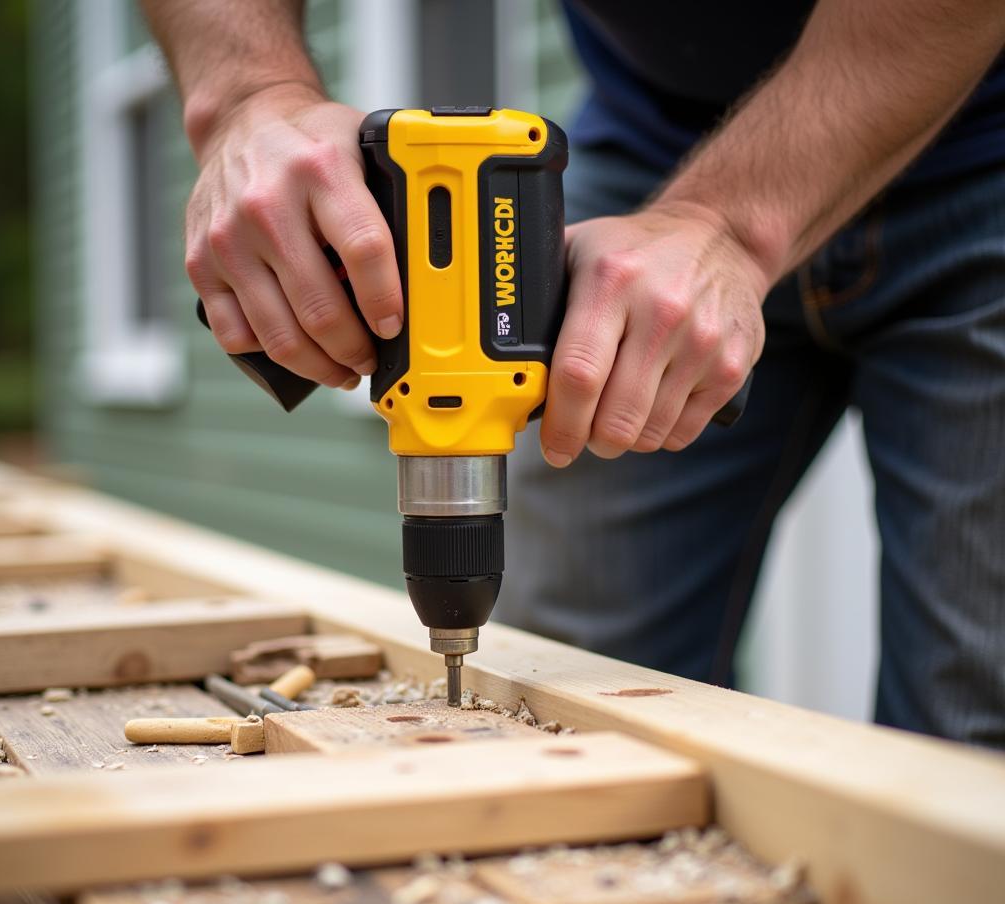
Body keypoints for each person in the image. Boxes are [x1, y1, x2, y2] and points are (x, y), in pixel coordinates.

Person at [143, 1, 1005, 749]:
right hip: (660, 141)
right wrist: (249, 99)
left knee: (971, 724)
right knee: (576, 681)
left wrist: (732, 226)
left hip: (980, 137)